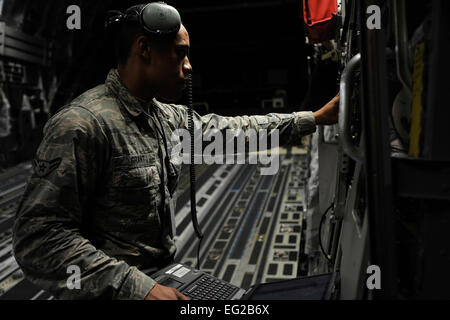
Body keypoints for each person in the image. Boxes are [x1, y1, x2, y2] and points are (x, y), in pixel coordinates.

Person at [12, 2, 339, 300]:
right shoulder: (82, 124)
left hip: (163, 279)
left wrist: (315, 118)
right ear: (144, 49)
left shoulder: (164, 118)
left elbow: (235, 132)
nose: (188, 66)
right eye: (179, 54)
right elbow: (38, 238)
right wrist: (140, 288)